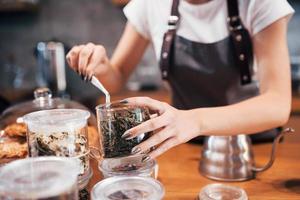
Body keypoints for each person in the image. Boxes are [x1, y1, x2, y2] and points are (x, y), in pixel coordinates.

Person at [66, 0, 294, 161]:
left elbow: (277, 104)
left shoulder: (260, 3)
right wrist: (103, 66)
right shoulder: (150, 5)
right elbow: (116, 79)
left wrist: (194, 120)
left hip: (252, 150)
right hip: (182, 145)